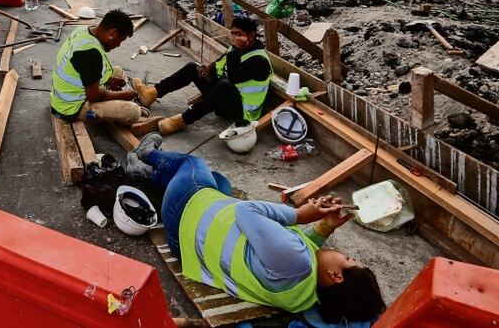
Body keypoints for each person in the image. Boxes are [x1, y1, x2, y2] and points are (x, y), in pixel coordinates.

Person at [129, 135, 386, 323]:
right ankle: (146, 175)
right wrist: (323, 228)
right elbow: (292, 251)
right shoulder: (303, 297)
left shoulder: (296, 261)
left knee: (195, 166)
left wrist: (298, 215)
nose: (344, 254)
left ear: (336, 275)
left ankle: (147, 154)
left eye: (349, 259)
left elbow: (246, 211)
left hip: (186, 217)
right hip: (188, 246)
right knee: (220, 182)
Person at [131, 16, 272, 135]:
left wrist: (235, 49)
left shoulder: (259, 59)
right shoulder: (237, 48)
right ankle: (152, 93)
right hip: (222, 96)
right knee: (193, 68)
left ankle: (182, 120)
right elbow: (220, 63)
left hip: (239, 110)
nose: (234, 38)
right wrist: (208, 69)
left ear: (251, 36)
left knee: (225, 85)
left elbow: (234, 78)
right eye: (232, 33)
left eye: (238, 34)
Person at [50, 9, 160, 130]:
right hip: (71, 107)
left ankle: (122, 103)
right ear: (112, 34)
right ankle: (131, 111)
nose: (118, 45)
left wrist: (109, 80)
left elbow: (83, 69)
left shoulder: (83, 30)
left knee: (117, 71)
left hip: (65, 91)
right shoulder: (90, 53)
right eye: (121, 40)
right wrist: (123, 95)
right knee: (133, 111)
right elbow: (93, 96)